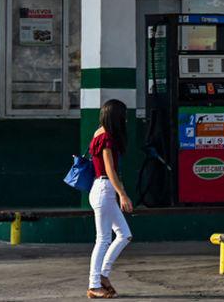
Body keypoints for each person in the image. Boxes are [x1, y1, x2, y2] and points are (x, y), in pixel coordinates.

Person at [87, 99, 133, 299]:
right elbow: (109, 169)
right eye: (123, 115)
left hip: (102, 189)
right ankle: (94, 283)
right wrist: (122, 194)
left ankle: (103, 275)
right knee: (103, 239)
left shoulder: (99, 132)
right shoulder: (106, 137)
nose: (125, 119)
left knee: (124, 235)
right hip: (104, 189)